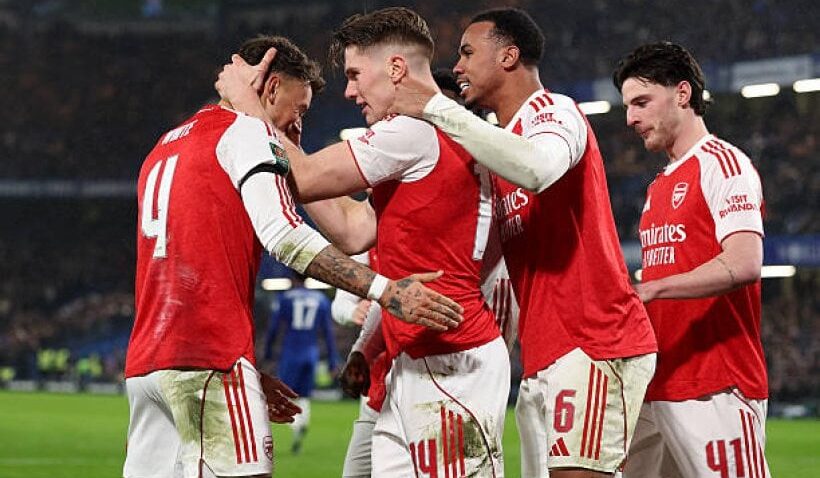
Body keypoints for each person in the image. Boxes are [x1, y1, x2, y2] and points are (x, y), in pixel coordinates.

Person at [123, 35, 462, 478]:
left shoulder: (165, 145)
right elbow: (285, 236)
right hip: (209, 359)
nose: (297, 124)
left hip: (148, 366)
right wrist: (386, 291)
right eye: (298, 109)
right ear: (270, 88)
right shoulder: (246, 132)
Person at [216, 8, 510, 476]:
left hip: (451, 357)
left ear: (395, 68)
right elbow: (353, 230)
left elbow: (305, 177)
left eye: (355, 74)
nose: (349, 91)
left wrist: (248, 106)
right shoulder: (433, 135)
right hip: (417, 358)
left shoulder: (413, 130)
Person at [387, 7, 658, 477]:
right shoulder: (498, 146)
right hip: (542, 355)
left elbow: (538, 168)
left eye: (468, 53)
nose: (458, 67)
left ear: (508, 56)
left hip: (593, 343)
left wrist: (436, 107)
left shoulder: (554, 111)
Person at [612, 41, 769, 478]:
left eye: (641, 102)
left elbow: (744, 263)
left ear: (682, 93)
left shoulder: (724, 164)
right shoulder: (657, 186)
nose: (630, 119)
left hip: (715, 384)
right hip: (657, 385)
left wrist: (652, 288)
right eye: (627, 107)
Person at [262, 273, 339, 454]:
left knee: (286, 393)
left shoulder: (285, 298)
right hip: (311, 353)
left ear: (292, 279)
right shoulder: (321, 300)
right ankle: (303, 422)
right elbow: (328, 333)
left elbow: (274, 329)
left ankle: (296, 425)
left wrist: (268, 353)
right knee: (304, 395)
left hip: (291, 352)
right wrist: (332, 361)